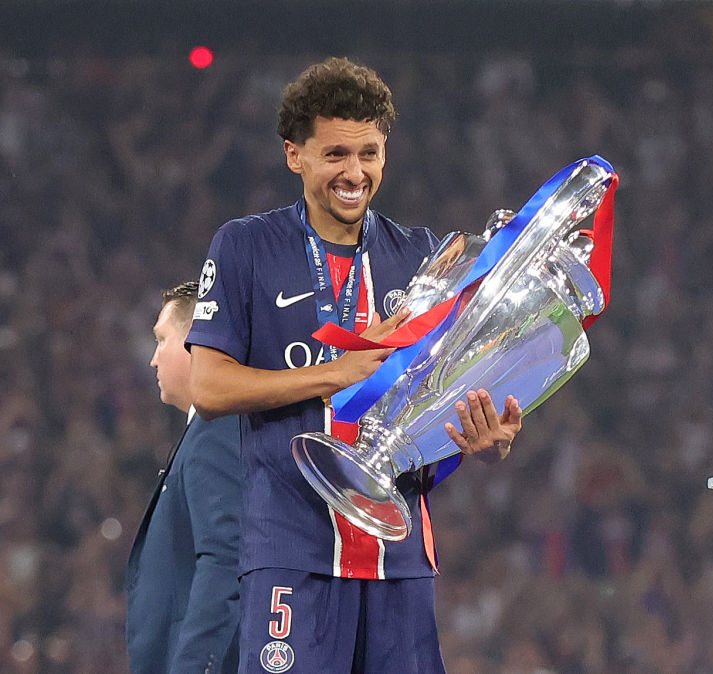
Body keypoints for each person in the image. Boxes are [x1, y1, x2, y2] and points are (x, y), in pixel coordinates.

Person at [186, 56, 522, 673]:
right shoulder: (246, 247)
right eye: (335, 154)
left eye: (369, 153)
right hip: (292, 550)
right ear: (295, 155)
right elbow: (207, 386)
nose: (355, 172)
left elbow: (444, 399)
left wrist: (485, 438)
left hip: (399, 557)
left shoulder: (425, 259)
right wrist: (335, 373)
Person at [126, 281, 242, 673]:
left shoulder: (216, 429)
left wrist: (196, 664)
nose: (153, 360)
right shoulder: (207, 430)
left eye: (162, 340)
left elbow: (225, 557)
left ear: (196, 341)